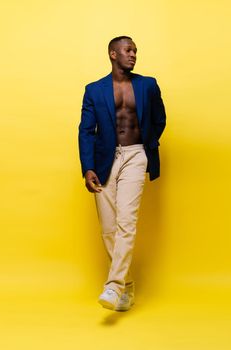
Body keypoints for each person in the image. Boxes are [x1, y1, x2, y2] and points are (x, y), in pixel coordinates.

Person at [78, 35, 166, 311]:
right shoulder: (94, 89)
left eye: (135, 51)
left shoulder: (147, 85)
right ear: (113, 54)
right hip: (105, 159)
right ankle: (126, 288)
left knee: (127, 221)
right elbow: (86, 130)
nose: (133, 55)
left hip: (136, 155)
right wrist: (88, 166)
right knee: (108, 228)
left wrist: (148, 145)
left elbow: (160, 119)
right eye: (128, 50)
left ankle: (113, 286)